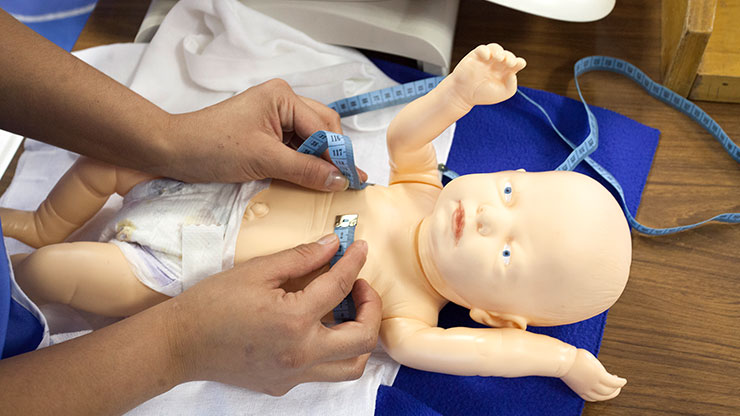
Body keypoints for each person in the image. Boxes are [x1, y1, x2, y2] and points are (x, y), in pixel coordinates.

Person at [4, 43, 631, 402]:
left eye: (507, 256)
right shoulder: (420, 190)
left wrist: (558, 361)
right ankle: (37, 222)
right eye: (510, 190)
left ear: (494, 312)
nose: (492, 218)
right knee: (105, 163)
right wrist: (458, 93)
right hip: (212, 188)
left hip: (185, 269)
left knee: (65, 273)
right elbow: (405, 134)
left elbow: (480, 355)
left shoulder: (410, 314)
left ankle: (28, 269)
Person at [0, 8, 382, 415]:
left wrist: (169, 137)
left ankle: (31, 254)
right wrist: (179, 344)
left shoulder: (420, 297)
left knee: (56, 266)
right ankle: (32, 249)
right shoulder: (426, 186)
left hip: (183, 264)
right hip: (208, 222)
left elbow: (416, 342)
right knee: (94, 190)